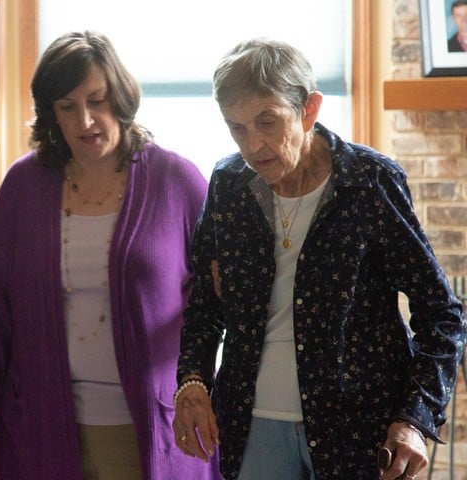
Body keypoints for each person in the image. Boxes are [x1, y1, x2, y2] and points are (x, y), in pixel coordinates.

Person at [172, 38, 467, 480]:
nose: (253, 146)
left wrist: (416, 417)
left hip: (358, 431)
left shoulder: (371, 182)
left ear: (309, 108)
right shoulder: (228, 184)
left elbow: (442, 314)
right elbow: (204, 307)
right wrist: (193, 381)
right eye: (237, 128)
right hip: (252, 429)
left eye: (266, 121)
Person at [0, 30, 222, 480]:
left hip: (159, 431)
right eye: (67, 107)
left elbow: (219, 303)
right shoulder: (22, 187)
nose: (85, 121)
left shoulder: (178, 181)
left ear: (121, 94)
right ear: (51, 114)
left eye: (97, 100)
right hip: (40, 430)